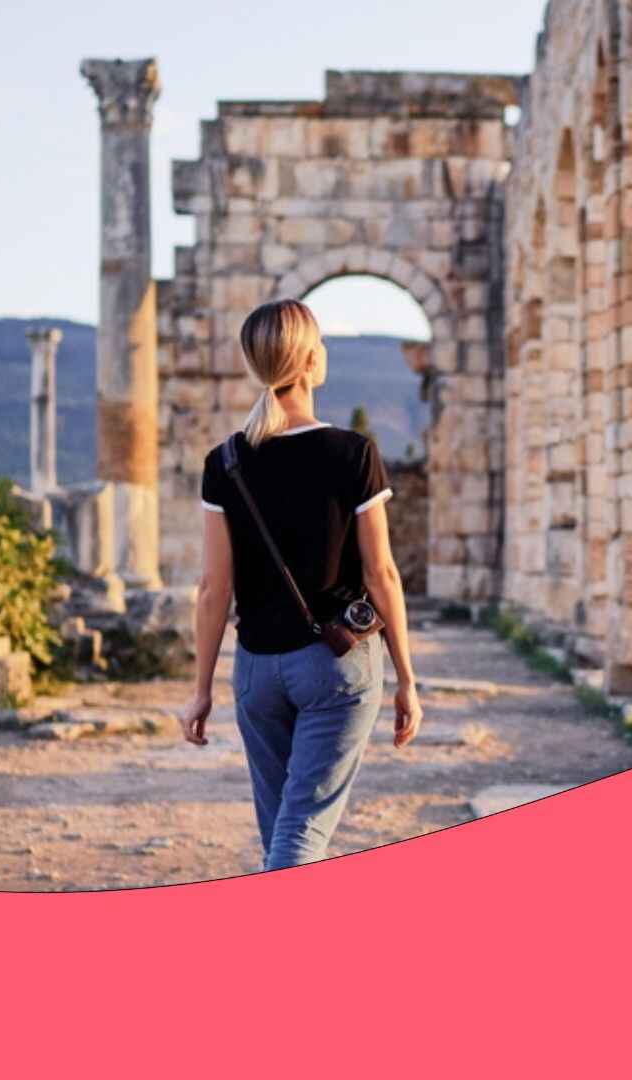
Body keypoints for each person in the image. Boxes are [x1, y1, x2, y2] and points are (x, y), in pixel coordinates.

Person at [178, 298, 422, 871]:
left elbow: (215, 588)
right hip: (335, 667)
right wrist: (408, 678)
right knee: (299, 838)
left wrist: (201, 688)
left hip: (257, 673)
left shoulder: (226, 461)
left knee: (284, 831)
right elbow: (381, 573)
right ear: (312, 361)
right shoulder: (353, 453)